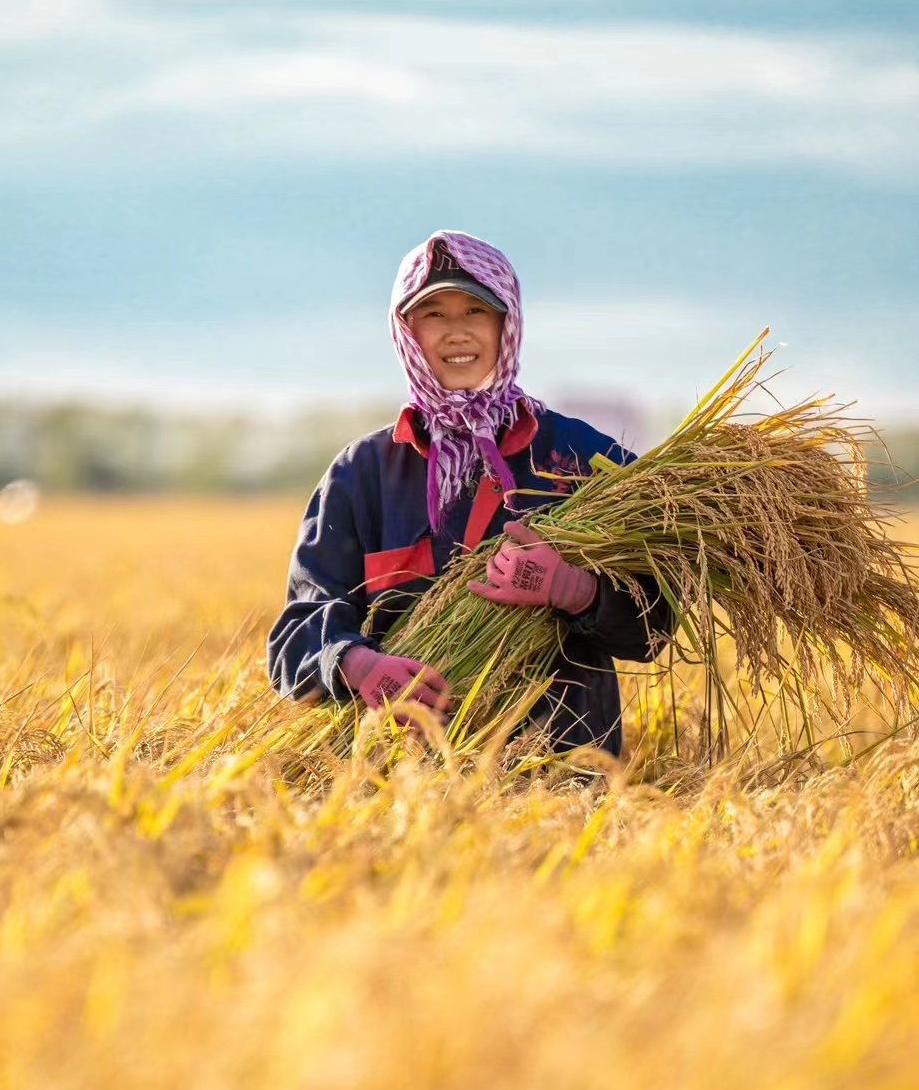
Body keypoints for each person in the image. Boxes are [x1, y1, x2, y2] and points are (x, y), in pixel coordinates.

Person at [267, 230, 671, 756]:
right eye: (433, 314)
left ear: (508, 325)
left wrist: (576, 591)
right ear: (406, 332)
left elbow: (654, 628)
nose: (457, 333)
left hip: (563, 773)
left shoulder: (582, 459)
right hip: (398, 780)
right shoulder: (362, 473)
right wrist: (357, 664)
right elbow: (294, 636)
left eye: (476, 311)